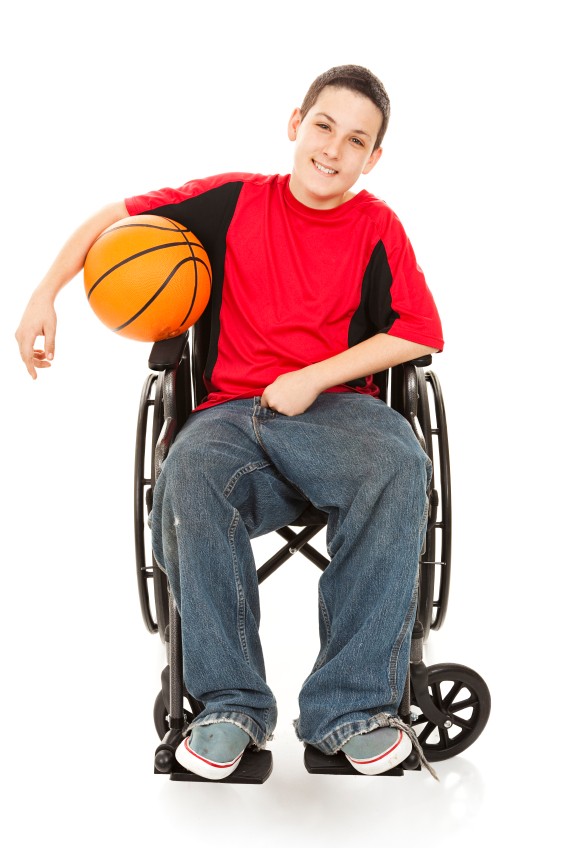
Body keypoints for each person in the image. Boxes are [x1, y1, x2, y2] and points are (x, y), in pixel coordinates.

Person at [16, 65, 443, 780]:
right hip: (230, 420)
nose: (334, 149)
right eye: (324, 126)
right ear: (295, 124)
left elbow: (420, 330)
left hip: (334, 417)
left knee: (400, 460)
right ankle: (229, 706)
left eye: (356, 140)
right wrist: (43, 295)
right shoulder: (234, 200)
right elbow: (113, 219)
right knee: (186, 472)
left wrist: (313, 378)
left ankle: (353, 709)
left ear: (374, 158)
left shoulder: (377, 226)